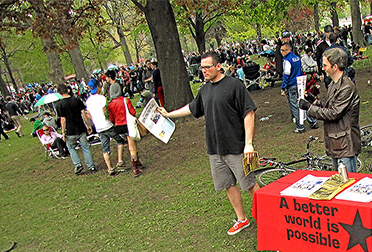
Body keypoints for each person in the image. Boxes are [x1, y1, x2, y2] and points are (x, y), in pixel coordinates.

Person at [156, 51, 259, 236]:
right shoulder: (204, 90)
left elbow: (249, 113)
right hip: (215, 149)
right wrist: (169, 114)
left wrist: (248, 144)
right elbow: (191, 107)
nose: (203, 71)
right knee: (228, 184)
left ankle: (268, 219)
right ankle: (242, 220)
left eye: (207, 67)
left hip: (237, 147)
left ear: (218, 66)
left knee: (250, 185)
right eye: (202, 68)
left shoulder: (234, 85)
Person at [299, 48, 360, 173]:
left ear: (335, 66)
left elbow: (333, 113)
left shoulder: (347, 87)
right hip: (337, 141)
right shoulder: (334, 84)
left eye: (325, 65)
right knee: (339, 179)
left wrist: (309, 108)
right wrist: (314, 101)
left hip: (345, 142)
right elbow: (330, 106)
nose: (323, 68)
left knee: (348, 182)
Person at [85, 79, 127, 176]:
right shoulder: (102, 98)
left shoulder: (88, 101)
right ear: (98, 87)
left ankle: (110, 168)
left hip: (99, 127)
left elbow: (89, 115)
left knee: (105, 148)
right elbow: (105, 110)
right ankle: (120, 160)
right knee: (120, 140)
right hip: (107, 124)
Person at [54, 84, 96, 175]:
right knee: (85, 147)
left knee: (71, 148)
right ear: (68, 90)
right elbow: (83, 113)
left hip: (70, 130)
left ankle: (77, 165)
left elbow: (63, 119)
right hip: (80, 127)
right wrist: (88, 125)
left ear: (59, 92)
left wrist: (63, 132)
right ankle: (91, 165)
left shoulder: (59, 104)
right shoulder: (76, 100)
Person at [280, 42, 318, 133]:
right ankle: (312, 121)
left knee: (295, 106)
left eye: (283, 50)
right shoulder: (297, 58)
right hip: (300, 83)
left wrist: (283, 87)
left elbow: (286, 74)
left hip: (292, 85)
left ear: (288, 50)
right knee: (304, 103)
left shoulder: (287, 61)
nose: (281, 52)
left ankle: (300, 126)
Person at [107, 83, 144, 177]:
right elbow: (133, 112)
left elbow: (111, 119)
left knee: (129, 145)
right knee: (132, 147)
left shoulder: (110, 105)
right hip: (128, 125)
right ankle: (135, 168)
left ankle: (137, 162)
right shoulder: (125, 100)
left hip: (118, 127)